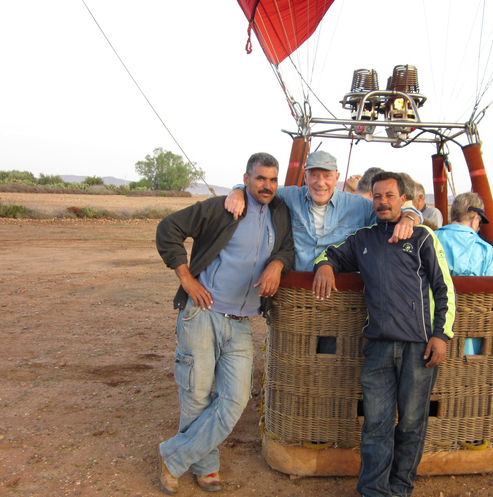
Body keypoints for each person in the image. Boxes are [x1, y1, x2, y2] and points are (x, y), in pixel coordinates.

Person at [155, 153, 295, 495]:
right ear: (246, 179)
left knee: (236, 397)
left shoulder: (279, 212)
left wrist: (277, 263)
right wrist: (186, 279)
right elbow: (168, 229)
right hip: (203, 313)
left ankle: (173, 456)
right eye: (260, 178)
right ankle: (205, 466)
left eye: (273, 180)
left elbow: (289, 248)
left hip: (241, 322)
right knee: (197, 393)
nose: (267, 186)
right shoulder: (223, 207)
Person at [312, 171, 456, 497]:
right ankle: (372, 491)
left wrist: (441, 335)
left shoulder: (422, 237)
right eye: (377, 197)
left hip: (418, 348)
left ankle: (400, 488)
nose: (382, 202)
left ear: (403, 199)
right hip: (377, 347)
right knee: (376, 425)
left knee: (410, 424)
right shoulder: (363, 239)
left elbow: (444, 287)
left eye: (389, 196)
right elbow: (331, 253)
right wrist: (325, 266)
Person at [224, 151, 420, 272]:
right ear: (305, 176)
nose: (320, 182)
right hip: (297, 294)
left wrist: (408, 218)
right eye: (314, 175)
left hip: (339, 295)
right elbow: (259, 191)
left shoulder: (357, 205)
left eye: (327, 176)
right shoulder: (290, 197)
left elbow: (394, 210)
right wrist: (237, 191)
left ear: (337, 178)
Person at [435, 192, 493, 276]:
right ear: (474, 220)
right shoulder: (486, 249)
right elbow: (491, 285)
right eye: (479, 221)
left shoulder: (430, 238)